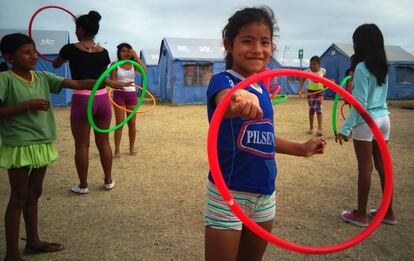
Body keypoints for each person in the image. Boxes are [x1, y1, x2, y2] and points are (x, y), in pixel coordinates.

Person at [205, 7, 326, 260]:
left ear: (272, 46)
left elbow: (265, 139)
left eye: (264, 42)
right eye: (247, 41)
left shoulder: (262, 89)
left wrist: (301, 149)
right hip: (229, 192)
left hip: (265, 193)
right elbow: (226, 102)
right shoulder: (223, 81)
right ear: (229, 44)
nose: (257, 49)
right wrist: (239, 96)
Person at [0, 33, 128, 261]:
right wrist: (26, 105)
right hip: (20, 145)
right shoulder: (5, 80)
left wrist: (106, 82)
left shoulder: (41, 77)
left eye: (34, 51)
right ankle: (11, 253)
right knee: (18, 197)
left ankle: (33, 242)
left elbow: (77, 83)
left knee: (34, 193)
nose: (33, 56)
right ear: (9, 57)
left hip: (42, 143)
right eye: (26, 52)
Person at [336, 24, 397, 227]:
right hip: (383, 119)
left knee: (365, 168)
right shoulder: (382, 67)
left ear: (360, 44)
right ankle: (388, 213)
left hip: (367, 121)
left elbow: (361, 105)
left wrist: (345, 130)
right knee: (382, 166)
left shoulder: (362, 68)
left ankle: (361, 214)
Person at [53, 11, 115, 194]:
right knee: (104, 142)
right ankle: (108, 180)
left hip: (82, 98)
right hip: (102, 98)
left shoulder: (69, 49)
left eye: (76, 28)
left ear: (80, 29)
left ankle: (83, 185)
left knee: (82, 144)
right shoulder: (103, 52)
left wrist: (60, 57)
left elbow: (56, 64)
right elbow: (102, 74)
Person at [110, 43, 147, 159]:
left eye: (128, 51)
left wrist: (136, 56)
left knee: (132, 123)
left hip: (131, 95)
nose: (126, 53)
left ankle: (131, 148)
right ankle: (117, 150)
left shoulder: (134, 64)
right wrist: (120, 86)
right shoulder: (115, 65)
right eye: (123, 51)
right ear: (119, 53)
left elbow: (145, 71)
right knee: (119, 123)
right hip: (119, 94)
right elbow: (112, 82)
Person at [299, 56, 326, 136]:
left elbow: (324, 79)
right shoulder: (307, 71)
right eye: (311, 64)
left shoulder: (322, 70)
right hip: (310, 93)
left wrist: (329, 82)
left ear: (319, 64)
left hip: (319, 92)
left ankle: (320, 129)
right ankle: (311, 128)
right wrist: (301, 87)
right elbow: (302, 79)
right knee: (311, 110)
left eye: (315, 64)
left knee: (318, 108)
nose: (313, 66)